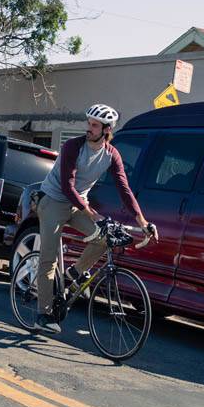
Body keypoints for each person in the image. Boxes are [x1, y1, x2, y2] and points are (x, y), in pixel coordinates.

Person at [34, 103, 158, 335]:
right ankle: (42, 314)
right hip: (53, 200)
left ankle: (72, 275)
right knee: (48, 259)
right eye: (88, 123)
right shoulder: (74, 146)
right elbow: (67, 186)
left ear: (106, 130)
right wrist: (93, 214)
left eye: (94, 125)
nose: (88, 128)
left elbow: (124, 189)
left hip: (78, 205)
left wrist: (143, 221)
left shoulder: (112, 155)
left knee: (105, 238)